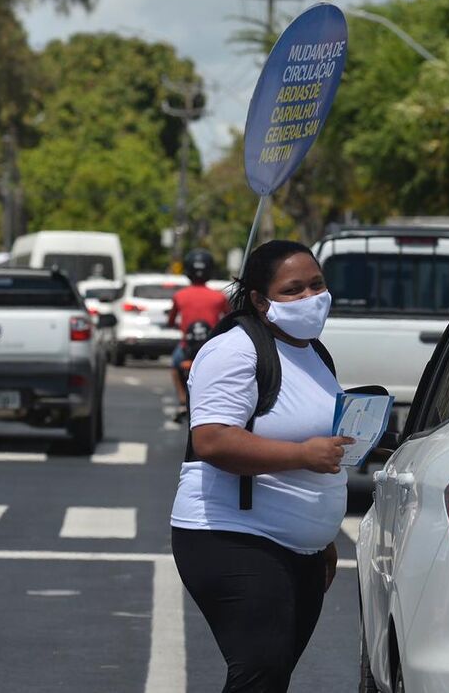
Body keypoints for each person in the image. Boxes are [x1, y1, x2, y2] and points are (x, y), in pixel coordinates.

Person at [170, 240, 352, 692]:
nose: (311, 297)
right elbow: (211, 439)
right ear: (258, 299)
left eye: (317, 284)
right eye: (293, 289)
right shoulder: (235, 350)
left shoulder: (314, 353)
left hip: (302, 550)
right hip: (233, 537)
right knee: (260, 670)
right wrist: (303, 455)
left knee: (272, 677)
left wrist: (322, 539)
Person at [167, 249, 229, 416]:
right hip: (212, 347)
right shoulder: (219, 297)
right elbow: (229, 319)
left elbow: (171, 321)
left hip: (187, 347)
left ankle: (181, 401)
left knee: (174, 367)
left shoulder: (180, 296)